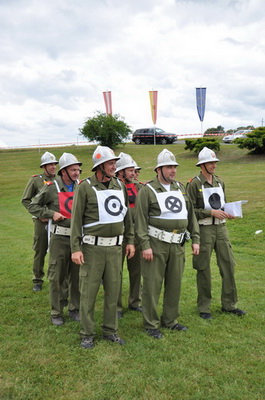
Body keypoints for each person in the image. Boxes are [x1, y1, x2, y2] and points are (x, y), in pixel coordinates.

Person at [71, 145, 135, 349]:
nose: (114, 166)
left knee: (113, 291)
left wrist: (130, 240)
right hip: (92, 249)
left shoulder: (119, 185)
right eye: (110, 163)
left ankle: (110, 330)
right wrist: (75, 248)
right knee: (88, 292)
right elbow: (76, 220)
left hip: (115, 248)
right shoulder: (85, 187)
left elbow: (126, 216)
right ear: (99, 166)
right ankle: (87, 332)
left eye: (115, 163)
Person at [135, 149, 200, 339]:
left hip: (177, 244)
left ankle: (170, 320)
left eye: (174, 167)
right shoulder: (147, 190)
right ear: (159, 169)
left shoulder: (181, 188)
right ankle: (151, 323)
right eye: (169, 167)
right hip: (156, 244)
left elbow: (190, 216)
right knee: (152, 285)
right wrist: (145, 245)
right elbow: (139, 221)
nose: (173, 170)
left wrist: (195, 238)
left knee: (174, 284)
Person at [186, 147, 246, 319]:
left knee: (228, 265)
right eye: (211, 162)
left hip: (221, 228)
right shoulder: (194, 184)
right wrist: (209, 213)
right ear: (202, 165)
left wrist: (229, 212)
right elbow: (190, 211)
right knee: (203, 268)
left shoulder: (220, 182)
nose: (214, 165)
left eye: (215, 162)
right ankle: (204, 307)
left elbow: (223, 204)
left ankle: (230, 304)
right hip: (204, 230)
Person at [28, 152, 82, 326]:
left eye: (78, 170)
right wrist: (51, 213)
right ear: (64, 171)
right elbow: (33, 205)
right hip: (59, 238)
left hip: (77, 239)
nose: (77, 173)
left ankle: (74, 308)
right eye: (73, 170)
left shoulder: (81, 186)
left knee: (77, 276)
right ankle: (56, 311)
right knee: (57, 275)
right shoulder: (52, 187)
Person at [21, 151, 58, 291]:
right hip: (41, 221)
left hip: (57, 221)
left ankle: (57, 278)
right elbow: (25, 200)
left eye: (55, 164)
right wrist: (38, 214)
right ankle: (37, 280)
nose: (53, 167)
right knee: (40, 250)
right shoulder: (36, 180)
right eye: (50, 164)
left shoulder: (60, 180)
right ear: (44, 166)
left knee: (58, 251)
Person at [115, 152, 142, 317]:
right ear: (121, 172)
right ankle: (116, 306)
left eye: (133, 170)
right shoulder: (114, 187)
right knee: (116, 272)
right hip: (119, 236)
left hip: (137, 234)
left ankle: (135, 302)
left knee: (136, 271)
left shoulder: (139, 187)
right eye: (130, 170)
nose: (134, 173)